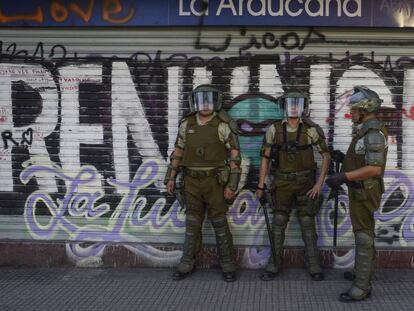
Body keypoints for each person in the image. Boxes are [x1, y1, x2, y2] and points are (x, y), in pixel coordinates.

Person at [164, 84, 242, 282]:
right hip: (191, 182)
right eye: (202, 100)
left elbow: (235, 156)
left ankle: (227, 264)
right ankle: (186, 263)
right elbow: (178, 151)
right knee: (192, 224)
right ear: (195, 102)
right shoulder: (187, 123)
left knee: (220, 223)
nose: (206, 104)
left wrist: (232, 185)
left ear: (216, 101)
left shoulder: (223, 124)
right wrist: (171, 177)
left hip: (215, 183)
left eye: (209, 100)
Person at [256, 91, 331, 281]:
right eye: (291, 103)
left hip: (306, 183)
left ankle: (314, 264)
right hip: (281, 184)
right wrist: (260, 185)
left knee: (308, 224)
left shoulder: (311, 129)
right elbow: (264, 158)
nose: (294, 107)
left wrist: (318, 184)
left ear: (304, 106)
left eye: (298, 103)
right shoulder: (274, 129)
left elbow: (326, 156)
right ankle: (274, 264)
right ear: (284, 106)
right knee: (278, 224)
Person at [326, 86, 388, 302]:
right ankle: (362, 272)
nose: (351, 113)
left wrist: (343, 177)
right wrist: (344, 158)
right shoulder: (365, 131)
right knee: (363, 234)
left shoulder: (373, 133)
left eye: (354, 110)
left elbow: (375, 169)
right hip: (360, 190)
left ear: (365, 109)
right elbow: (363, 160)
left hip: (365, 191)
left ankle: (362, 287)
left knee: (363, 236)